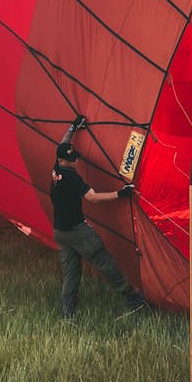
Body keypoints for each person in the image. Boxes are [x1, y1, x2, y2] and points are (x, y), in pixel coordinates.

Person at [50, 116, 146, 318]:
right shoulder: (71, 178)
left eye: (74, 157)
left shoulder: (57, 169)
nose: (75, 161)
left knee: (71, 274)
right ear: (63, 160)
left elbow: (62, 145)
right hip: (77, 231)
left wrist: (72, 128)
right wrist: (120, 193)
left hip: (60, 231)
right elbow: (92, 197)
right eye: (72, 159)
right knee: (104, 261)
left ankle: (68, 314)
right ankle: (132, 297)